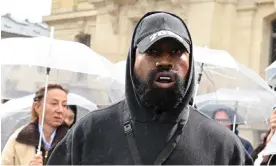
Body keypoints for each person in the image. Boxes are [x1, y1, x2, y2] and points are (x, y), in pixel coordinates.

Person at [47, 11, 253, 165]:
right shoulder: (88, 133)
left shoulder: (223, 146)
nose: (164, 61)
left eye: (176, 51)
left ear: (190, 61)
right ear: (133, 59)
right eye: (153, 51)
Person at [2, 84, 69, 165]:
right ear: (37, 106)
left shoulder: (72, 141)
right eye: (54, 103)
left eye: (64, 105)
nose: (60, 110)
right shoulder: (19, 139)